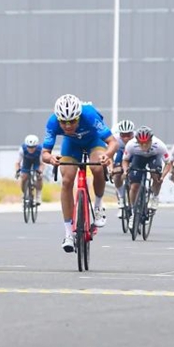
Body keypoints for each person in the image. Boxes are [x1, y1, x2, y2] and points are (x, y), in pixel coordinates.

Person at [39, 94, 118, 252]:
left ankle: (98, 205)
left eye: (72, 121)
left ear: (79, 116)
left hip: (94, 141)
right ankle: (69, 233)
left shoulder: (89, 114)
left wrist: (107, 155)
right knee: (67, 181)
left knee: (97, 166)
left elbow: (113, 142)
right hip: (71, 145)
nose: (68, 126)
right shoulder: (52, 122)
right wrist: (51, 158)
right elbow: (45, 153)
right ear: (58, 119)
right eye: (64, 122)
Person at [121, 125, 168, 212]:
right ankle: (132, 210)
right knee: (134, 186)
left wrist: (162, 176)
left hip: (153, 157)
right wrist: (125, 171)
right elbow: (125, 160)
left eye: (147, 143)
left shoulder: (159, 145)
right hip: (138, 158)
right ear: (137, 141)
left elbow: (168, 163)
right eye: (141, 143)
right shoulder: (131, 144)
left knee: (157, 176)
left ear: (151, 140)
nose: (144, 146)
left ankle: (155, 197)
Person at [110, 119, 136, 205]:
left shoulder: (137, 138)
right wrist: (111, 168)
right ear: (119, 134)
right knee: (116, 174)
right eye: (123, 135)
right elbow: (109, 155)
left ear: (133, 133)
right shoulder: (115, 139)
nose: (126, 138)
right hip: (121, 153)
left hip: (134, 153)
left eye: (128, 135)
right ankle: (121, 198)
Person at [15, 134, 44, 206]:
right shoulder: (22, 149)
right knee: (24, 177)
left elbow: (42, 164)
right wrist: (18, 171)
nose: (31, 149)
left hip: (37, 162)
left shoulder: (40, 150)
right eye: (29, 147)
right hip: (26, 162)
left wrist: (40, 172)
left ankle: (38, 195)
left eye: (33, 147)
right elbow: (17, 162)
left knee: (39, 177)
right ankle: (24, 194)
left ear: (36, 146)